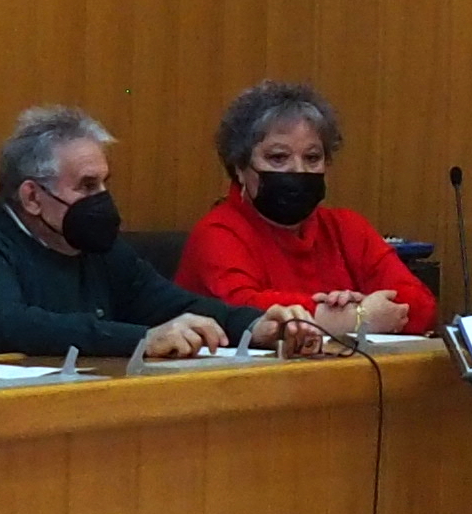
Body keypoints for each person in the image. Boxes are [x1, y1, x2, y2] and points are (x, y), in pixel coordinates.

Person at [0, 106, 294, 363]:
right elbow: (10, 326)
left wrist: (254, 325)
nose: (101, 199)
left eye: (104, 183)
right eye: (87, 185)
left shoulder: (98, 247)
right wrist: (141, 340)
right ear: (32, 197)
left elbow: (169, 303)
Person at [175, 82, 438, 336]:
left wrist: (356, 310)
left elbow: (421, 305)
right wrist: (357, 317)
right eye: (278, 158)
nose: (298, 171)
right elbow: (245, 312)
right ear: (241, 169)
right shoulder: (218, 233)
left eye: (312, 158)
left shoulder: (346, 227)